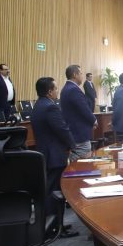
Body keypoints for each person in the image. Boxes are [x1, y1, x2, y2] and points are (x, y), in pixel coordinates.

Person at [31, 77, 78, 237]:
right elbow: (62, 129)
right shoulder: (50, 107)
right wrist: (72, 145)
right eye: (56, 88)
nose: (57, 91)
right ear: (50, 91)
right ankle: (55, 228)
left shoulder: (39, 105)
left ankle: (55, 225)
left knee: (52, 190)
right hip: (54, 155)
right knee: (55, 192)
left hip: (46, 153)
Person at [61, 64, 97, 162]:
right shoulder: (73, 90)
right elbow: (84, 109)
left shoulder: (66, 88)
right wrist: (94, 121)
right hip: (80, 135)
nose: (82, 76)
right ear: (74, 75)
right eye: (80, 73)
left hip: (74, 133)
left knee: (78, 163)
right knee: (83, 164)